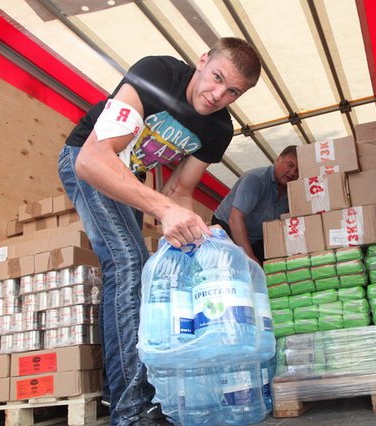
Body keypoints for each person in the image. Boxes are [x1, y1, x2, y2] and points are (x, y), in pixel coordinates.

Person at [57, 37, 261, 426]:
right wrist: (164, 210)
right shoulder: (158, 74)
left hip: (131, 179)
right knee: (128, 262)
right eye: (217, 78)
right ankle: (131, 410)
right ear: (202, 60)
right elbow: (93, 160)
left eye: (233, 92)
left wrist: (198, 247)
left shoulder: (219, 129)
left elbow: (179, 190)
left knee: (141, 274)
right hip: (89, 158)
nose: (218, 95)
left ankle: (121, 390)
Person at [212, 145, 299, 264]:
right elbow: (235, 219)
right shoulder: (255, 179)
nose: (293, 173)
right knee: (237, 266)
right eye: (290, 165)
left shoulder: (292, 190)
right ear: (278, 159)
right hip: (227, 228)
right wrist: (250, 258)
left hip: (255, 237)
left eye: (298, 170)